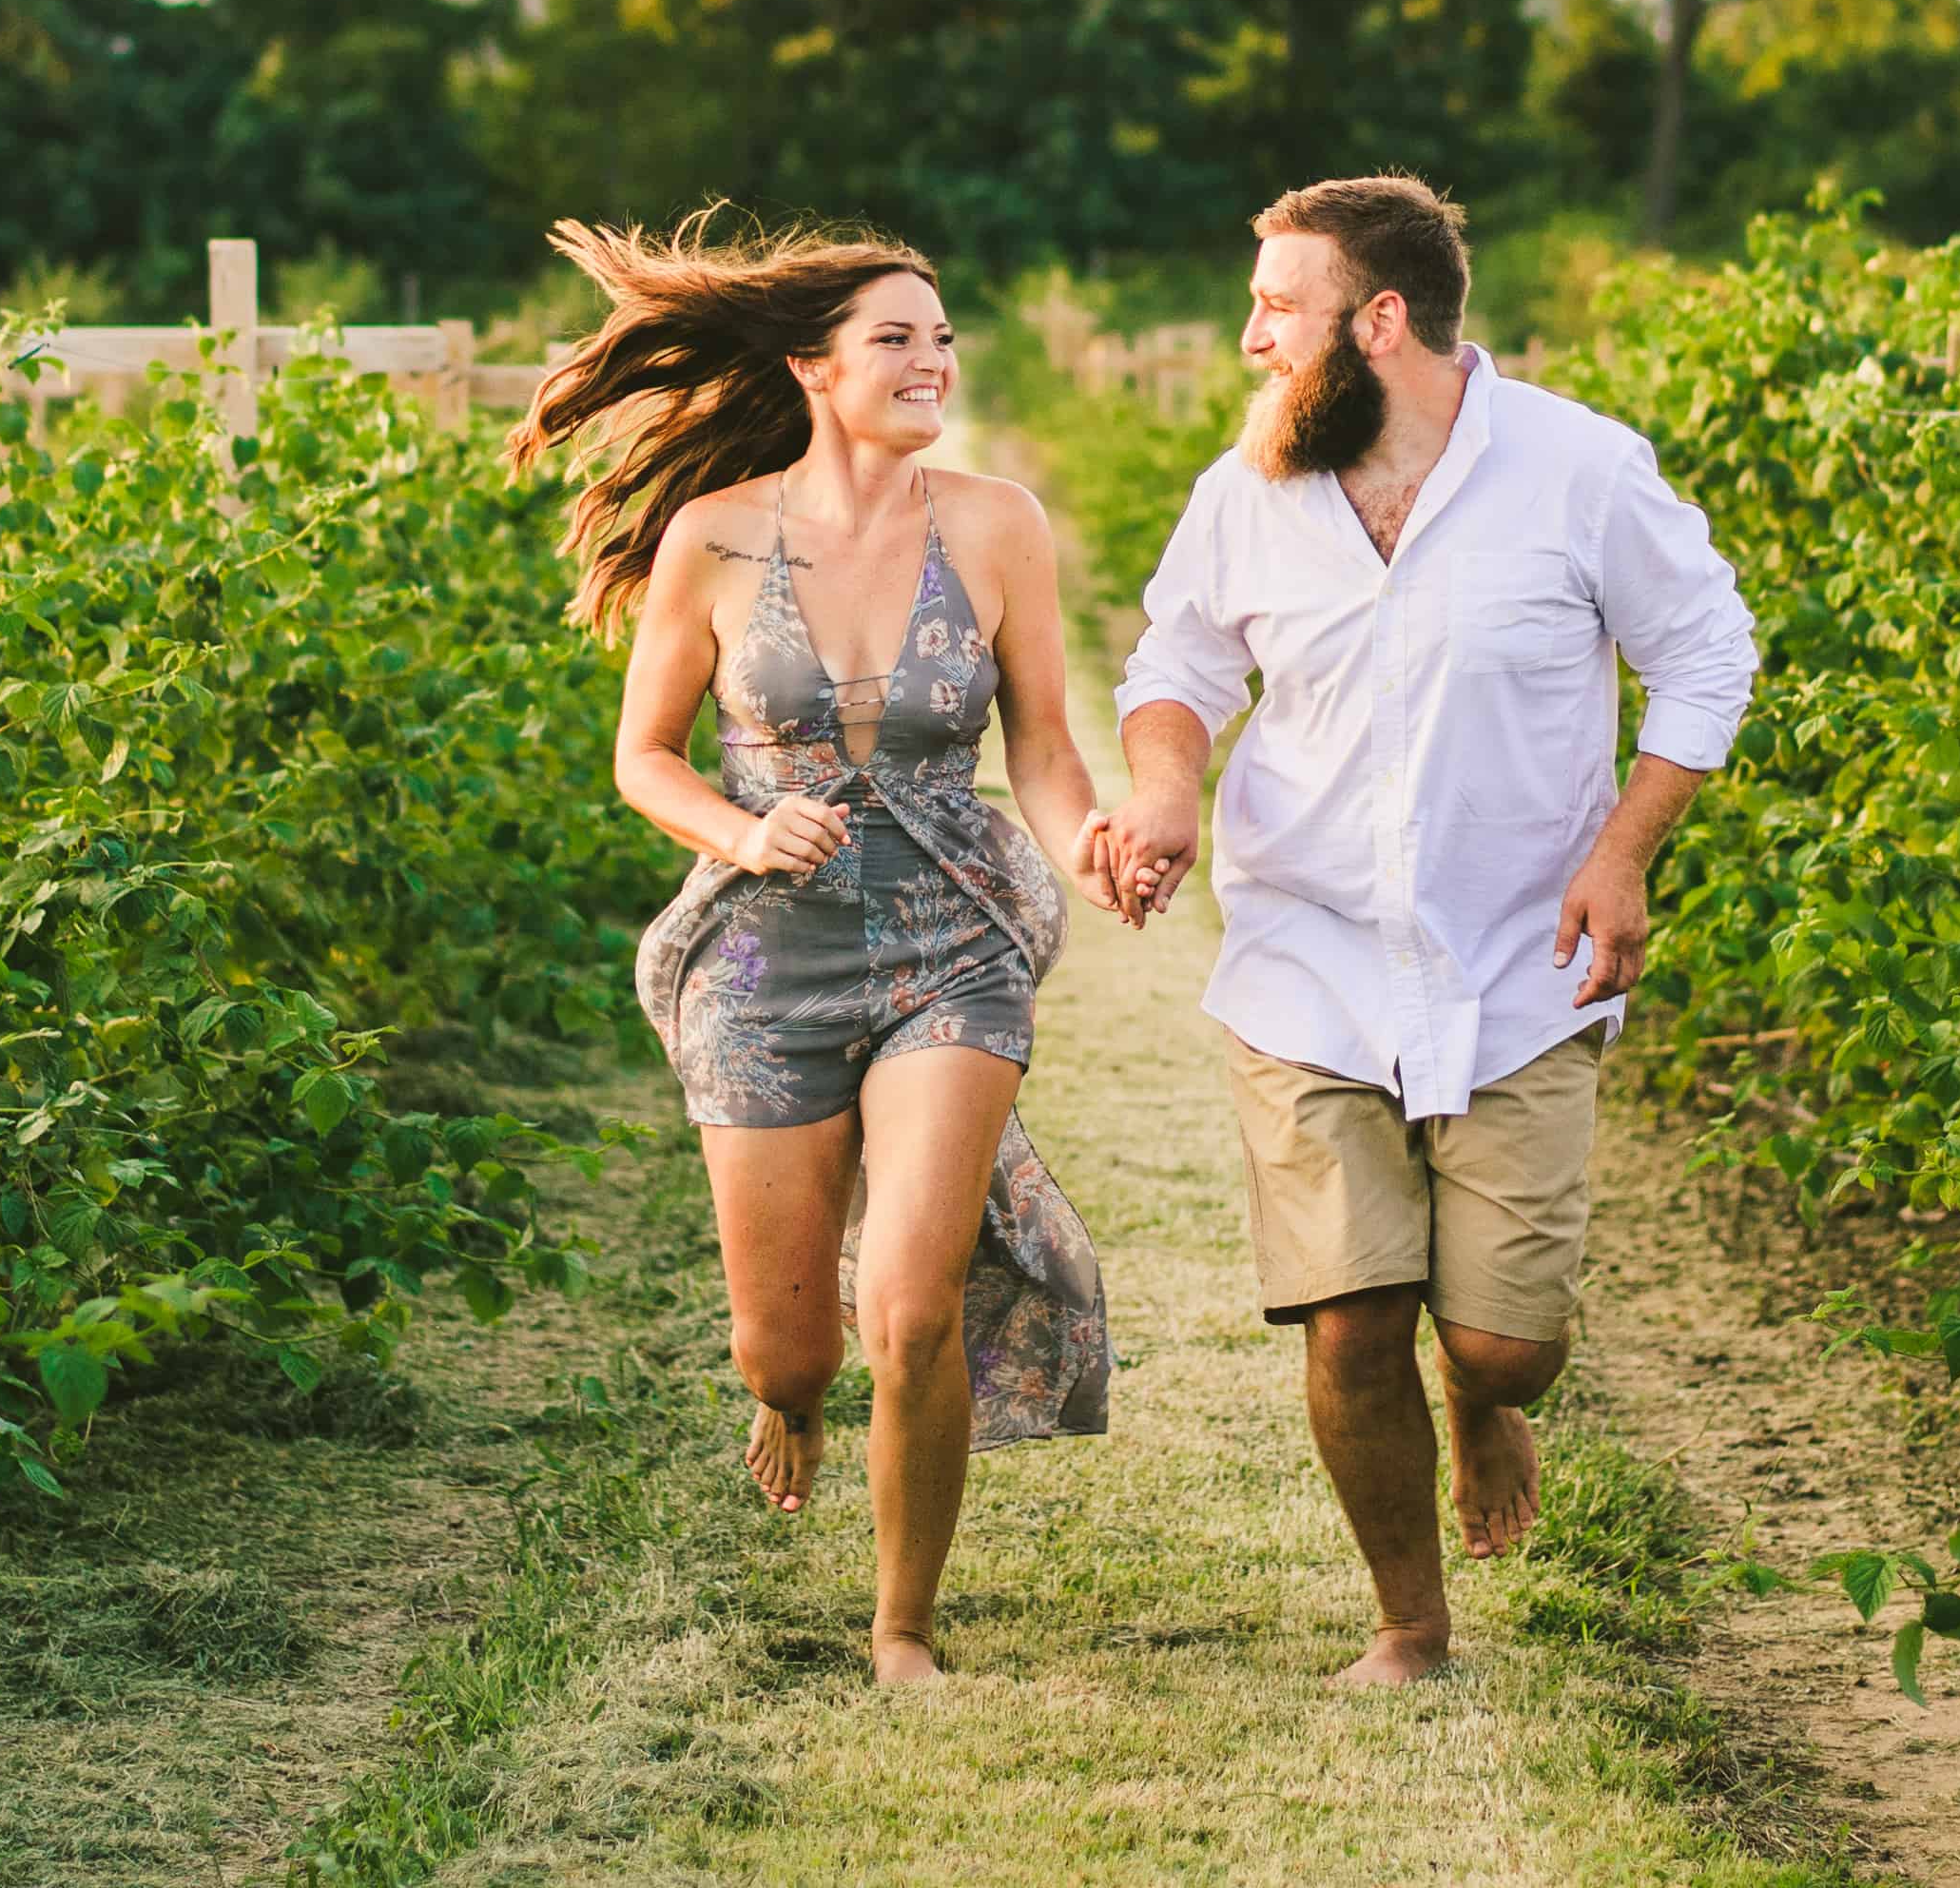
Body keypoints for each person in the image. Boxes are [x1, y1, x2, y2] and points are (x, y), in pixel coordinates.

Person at [1081, 173, 1758, 1687]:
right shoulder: (1246, 493)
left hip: (1524, 960)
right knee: (1350, 1317)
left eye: (1279, 306)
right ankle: (1411, 1621)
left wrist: (1623, 851)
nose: (1251, 337)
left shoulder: (1580, 472)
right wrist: (1169, 793)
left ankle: (1490, 1393)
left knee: (1504, 1342)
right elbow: (1174, 666)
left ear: (1380, 322)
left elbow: (1708, 656)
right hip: (1307, 958)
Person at [516, 217, 1111, 1686]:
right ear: (813, 366)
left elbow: (1038, 746)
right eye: (897, 337)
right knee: (793, 1350)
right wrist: (738, 831)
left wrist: (1091, 839)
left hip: (947, 943)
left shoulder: (998, 525)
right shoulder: (713, 536)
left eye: (945, 337)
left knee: (911, 1307)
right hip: (763, 965)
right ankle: (787, 1400)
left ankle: (902, 1625)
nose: (932, 361)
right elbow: (643, 758)